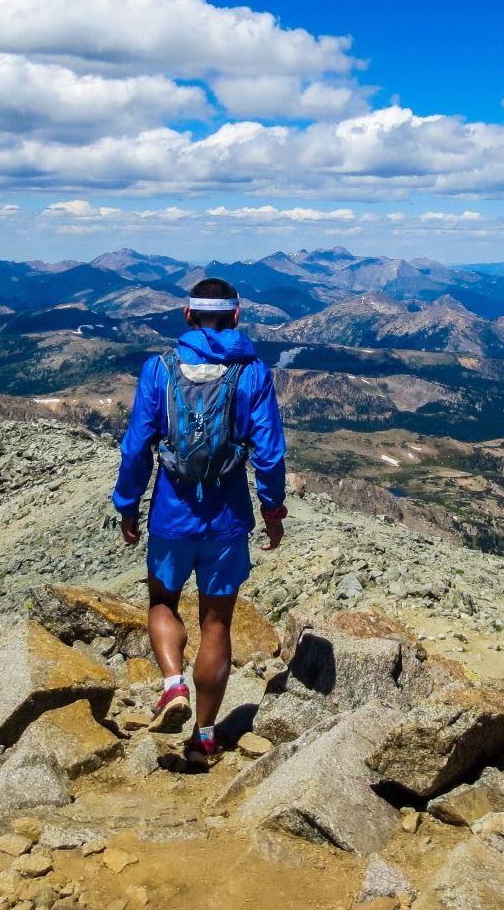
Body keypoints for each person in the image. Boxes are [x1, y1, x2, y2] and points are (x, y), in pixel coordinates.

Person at [112, 276, 287, 765]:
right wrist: (272, 510)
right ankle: (205, 735)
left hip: (171, 514)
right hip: (228, 519)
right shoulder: (252, 373)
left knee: (163, 601)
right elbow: (269, 454)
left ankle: (172, 684)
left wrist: (128, 505)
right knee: (217, 624)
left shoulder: (159, 369)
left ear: (187, 316)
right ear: (236, 316)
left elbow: (136, 448)